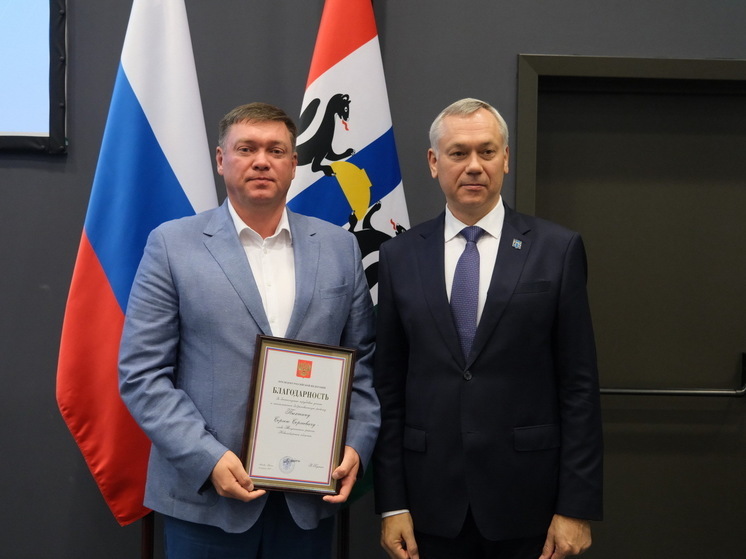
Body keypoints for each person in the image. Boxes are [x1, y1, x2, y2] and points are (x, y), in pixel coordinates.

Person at [118, 102, 379, 558]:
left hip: (307, 504)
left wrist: (356, 442)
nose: (262, 161)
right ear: (222, 160)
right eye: (247, 149)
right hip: (206, 502)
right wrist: (207, 458)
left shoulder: (340, 247)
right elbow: (142, 374)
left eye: (276, 150)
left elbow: (362, 365)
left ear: (293, 164)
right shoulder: (172, 245)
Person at [373, 98, 603, 559]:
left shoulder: (556, 250)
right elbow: (388, 387)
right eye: (459, 153)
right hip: (428, 504)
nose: (474, 166)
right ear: (434, 162)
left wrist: (576, 507)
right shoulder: (400, 255)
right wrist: (392, 503)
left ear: (506, 158)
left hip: (530, 503)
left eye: (487, 151)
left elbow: (579, 386)